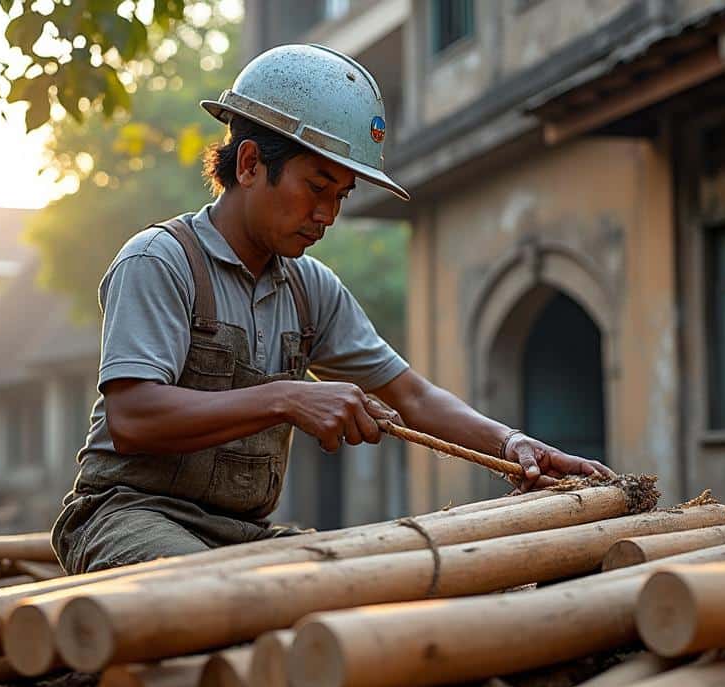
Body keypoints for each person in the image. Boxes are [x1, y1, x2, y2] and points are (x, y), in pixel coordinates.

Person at [51, 44, 612, 574]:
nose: (328, 215)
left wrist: (512, 444)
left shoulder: (310, 289)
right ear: (249, 164)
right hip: (128, 514)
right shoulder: (158, 261)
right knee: (213, 599)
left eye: (340, 196)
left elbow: (412, 397)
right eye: (317, 187)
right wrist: (288, 397)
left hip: (242, 534)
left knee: (366, 587)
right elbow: (133, 418)